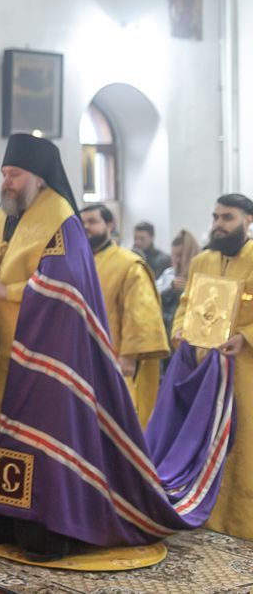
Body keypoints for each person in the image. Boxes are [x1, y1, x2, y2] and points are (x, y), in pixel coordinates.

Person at [0, 134, 231, 561]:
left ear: (38, 177)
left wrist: (8, 290)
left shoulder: (62, 221)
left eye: (14, 174)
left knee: (39, 441)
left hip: (43, 355)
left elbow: (66, 286)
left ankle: (43, 531)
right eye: (4, 173)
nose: (6, 182)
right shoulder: (1, 219)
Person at [171, 194, 253, 540]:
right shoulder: (201, 261)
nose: (219, 224)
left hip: (245, 370)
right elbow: (186, 303)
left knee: (243, 440)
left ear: (248, 220)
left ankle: (241, 520)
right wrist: (179, 328)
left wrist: (245, 336)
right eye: (216, 217)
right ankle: (205, 512)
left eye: (227, 218)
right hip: (203, 369)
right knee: (201, 437)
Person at [81, 204, 169, 427]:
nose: (86, 227)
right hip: (82, 357)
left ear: (110, 225)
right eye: (82, 223)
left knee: (119, 423)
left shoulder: (128, 264)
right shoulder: (78, 261)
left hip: (117, 358)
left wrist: (129, 356)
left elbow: (141, 313)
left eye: (92, 221)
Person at [156, 230, 200, 337]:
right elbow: (152, 294)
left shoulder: (201, 274)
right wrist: (170, 287)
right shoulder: (169, 274)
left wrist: (189, 290)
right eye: (174, 256)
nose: (176, 260)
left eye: (180, 256)